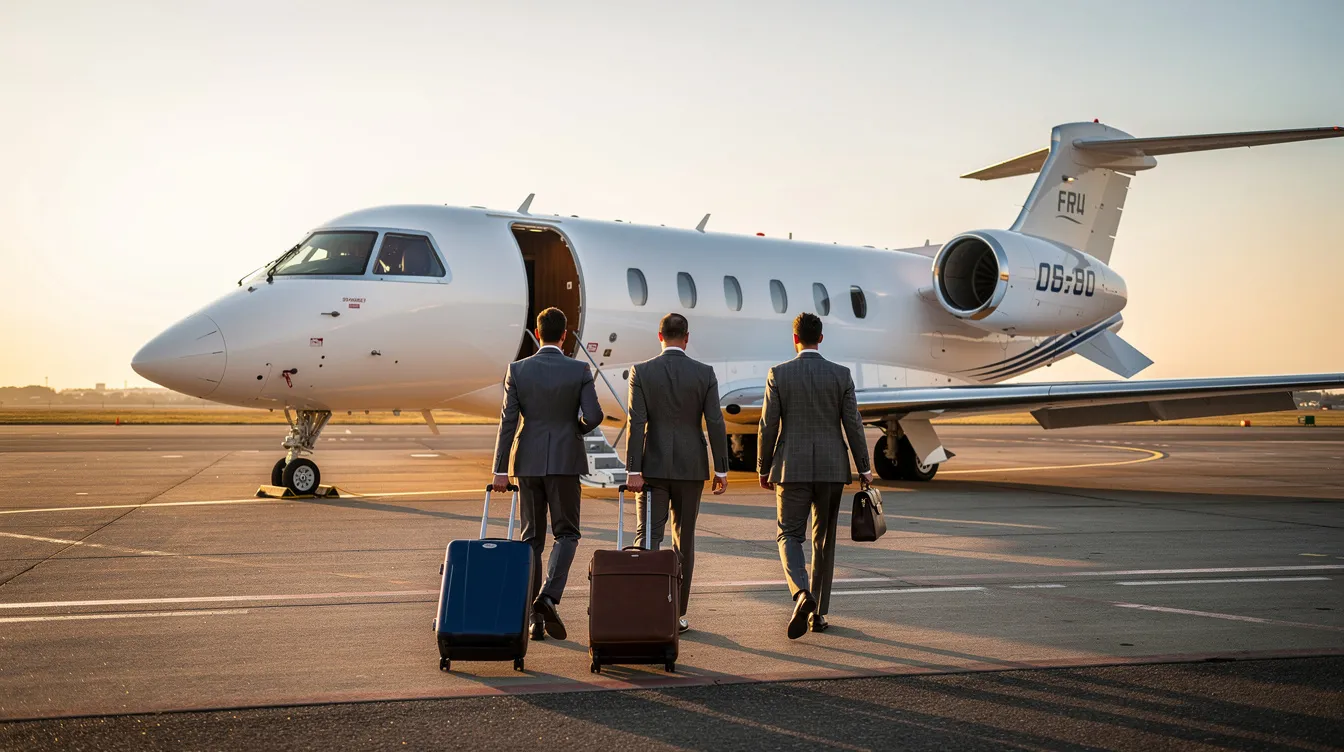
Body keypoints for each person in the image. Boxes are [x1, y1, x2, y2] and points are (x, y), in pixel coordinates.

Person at [491, 307, 603, 641]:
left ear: (537, 333)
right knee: (567, 533)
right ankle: (549, 596)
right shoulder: (579, 369)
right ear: (564, 334)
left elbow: (508, 422)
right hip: (566, 461)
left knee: (531, 540)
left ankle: (533, 620)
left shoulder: (518, 370)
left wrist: (499, 469)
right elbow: (594, 415)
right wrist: (575, 429)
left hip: (527, 462)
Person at [758, 312, 873, 639]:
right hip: (831, 469)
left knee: (789, 535)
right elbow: (854, 423)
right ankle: (818, 614)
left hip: (790, 469)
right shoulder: (840, 375)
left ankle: (801, 594)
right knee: (824, 541)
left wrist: (763, 468)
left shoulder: (779, 374)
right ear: (820, 338)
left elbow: (768, 426)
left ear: (794, 339)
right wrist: (864, 467)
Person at [625, 313, 729, 633]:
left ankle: (646, 607)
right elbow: (714, 423)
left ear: (660, 335)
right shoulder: (704, 373)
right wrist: (721, 469)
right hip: (691, 468)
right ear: (686, 337)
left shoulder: (641, 372)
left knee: (649, 538)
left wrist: (633, 469)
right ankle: (677, 613)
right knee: (685, 541)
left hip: (652, 469)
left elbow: (636, 423)